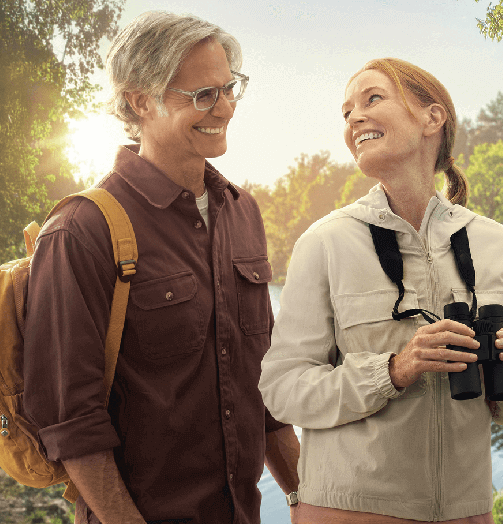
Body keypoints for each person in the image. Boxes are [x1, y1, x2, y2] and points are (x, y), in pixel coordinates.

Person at [22, 11, 300, 524]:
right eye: (203, 95)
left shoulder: (243, 214)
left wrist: (307, 501)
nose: (226, 107)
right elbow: (70, 424)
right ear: (138, 100)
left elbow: (264, 392)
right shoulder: (80, 230)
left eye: (230, 88)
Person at [258, 58, 503, 523]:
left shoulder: (499, 245)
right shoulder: (324, 242)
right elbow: (282, 390)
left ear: (433, 118)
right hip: (347, 512)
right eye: (346, 112)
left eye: (372, 99)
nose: (354, 119)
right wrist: (394, 369)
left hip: (468, 512)